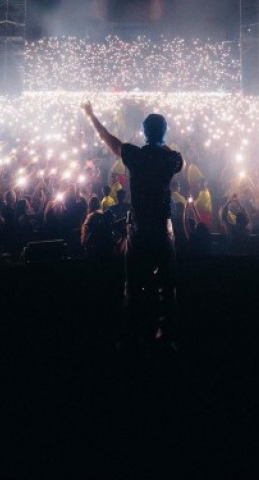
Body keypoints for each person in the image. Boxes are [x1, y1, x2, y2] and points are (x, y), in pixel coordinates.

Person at [82, 100, 183, 348]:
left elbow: (107, 137)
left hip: (139, 229)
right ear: (164, 132)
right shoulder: (172, 158)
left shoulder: (135, 155)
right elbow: (175, 159)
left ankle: (131, 336)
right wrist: (161, 142)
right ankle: (167, 336)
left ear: (144, 132)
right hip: (163, 228)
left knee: (134, 285)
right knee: (167, 286)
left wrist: (91, 115)